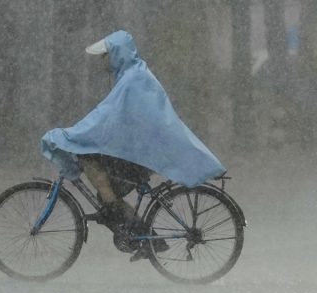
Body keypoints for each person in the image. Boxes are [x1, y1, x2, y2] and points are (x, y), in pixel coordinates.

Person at [40, 30, 226, 260]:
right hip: (143, 152)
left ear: (117, 54)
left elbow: (105, 116)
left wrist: (70, 135)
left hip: (141, 155)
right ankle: (137, 232)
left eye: (105, 55)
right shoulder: (134, 74)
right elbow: (112, 117)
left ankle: (135, 231)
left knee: (92, 167)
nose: (102, 61)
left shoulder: (131, 80)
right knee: (105, 193)